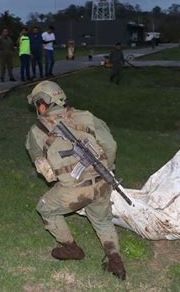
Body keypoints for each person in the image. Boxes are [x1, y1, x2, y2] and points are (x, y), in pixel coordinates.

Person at [25, 81, 126, 280]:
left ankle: (70, 248)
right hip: (102, 183)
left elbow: (42, 167)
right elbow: (111, 145)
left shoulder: (36, 131)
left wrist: (56, 172)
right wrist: (107, 169)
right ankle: (116, 262)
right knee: (103, 220)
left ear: (42, 104)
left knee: (45, 209)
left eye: (37, 104)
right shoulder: (87, 116)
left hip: (74, 190)